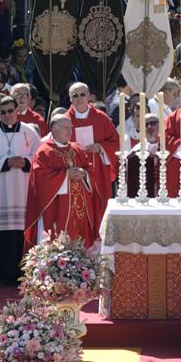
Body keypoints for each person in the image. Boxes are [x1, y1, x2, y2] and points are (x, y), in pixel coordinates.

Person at [0, 95, 41, 286]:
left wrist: (26, 162)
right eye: (3, 112)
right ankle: (1, 274)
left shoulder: (29, 133)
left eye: (10, 111)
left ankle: (26, 272)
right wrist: (6, 162)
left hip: (23, 192)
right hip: (0, 194)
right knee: (2, 236)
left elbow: (39, 156)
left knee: (21, 234)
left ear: (17, 111)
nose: (7, 115)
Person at [25, 112, 95, 247]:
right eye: (66, 128)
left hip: (79, 206)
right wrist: (66, 175)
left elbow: (89, 168)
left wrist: (84, 173)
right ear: (54, 129)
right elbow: (40, 177)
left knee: (79, 244)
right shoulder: (45, 151)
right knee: (58, 242)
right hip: (57, 208)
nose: (70, 131)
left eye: (71, 128)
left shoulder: (76, 148)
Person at [65, 83, 119, 226]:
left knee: (98, 208)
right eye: (75, 96)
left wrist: (100, 147)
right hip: (75, 173)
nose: (79, 99)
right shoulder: (64, 120)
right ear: (70, 99)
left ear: (89, 96)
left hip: (98, 172)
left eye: (82, 94)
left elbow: (115, 142)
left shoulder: (101, 118)